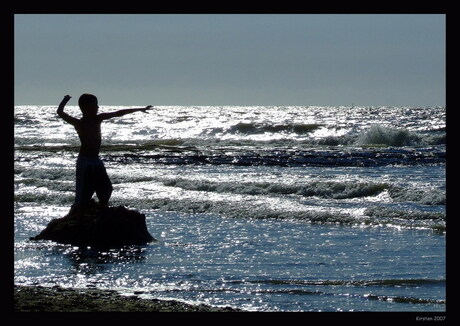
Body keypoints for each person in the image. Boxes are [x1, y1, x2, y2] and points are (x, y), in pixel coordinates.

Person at [57, 94, 152, 214]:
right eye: (95, 105)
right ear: (85, 107)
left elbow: (119, 113)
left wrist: (140, 109)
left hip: (96, 160)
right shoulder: (79, 123)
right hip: (85, 162)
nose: (98, 107)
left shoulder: (98, 119)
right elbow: (60, 112)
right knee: (84, 193)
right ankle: (78, 215)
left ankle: (103, 210)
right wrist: (65, 100)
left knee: (106, 188)